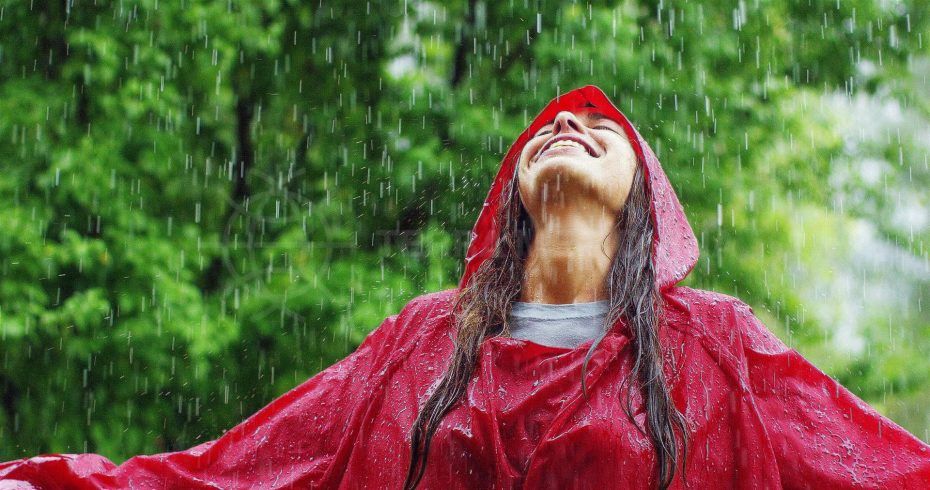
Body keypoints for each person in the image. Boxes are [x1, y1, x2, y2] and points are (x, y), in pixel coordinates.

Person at [2, 85, 929, 489]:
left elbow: (871, 466)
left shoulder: (715, 346)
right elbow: (247, 469)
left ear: (649, 201)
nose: (567, 121)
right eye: (551, 124)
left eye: (599, 128)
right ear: (511, 197)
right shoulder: (421, 342)